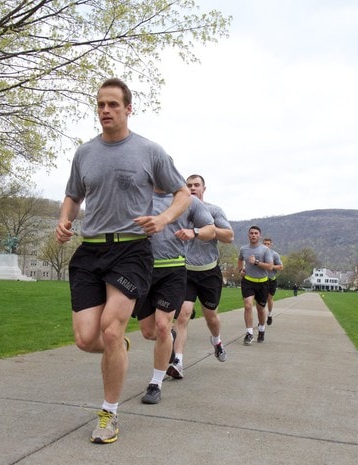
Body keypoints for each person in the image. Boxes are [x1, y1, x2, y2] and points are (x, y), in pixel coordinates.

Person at [55, 78, 190, 444]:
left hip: (131, 250)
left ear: (129, 109)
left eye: (113, 105)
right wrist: (64, 218)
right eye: (100, 105)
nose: (105, 111)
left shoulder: (150, 151)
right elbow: (72, 195)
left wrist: (163, 220)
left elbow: (182, 193)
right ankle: (119, 349)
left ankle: (108, 415)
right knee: (87, 339)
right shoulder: (85, 153)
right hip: (90, 251)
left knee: (112, 329)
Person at [135, 190, 214, 403]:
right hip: (142, 270)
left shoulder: (189, 200)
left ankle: (155, 384)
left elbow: (211, 230)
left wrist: (194, 233)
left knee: (162, 326)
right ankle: (169, 340)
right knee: (149, 331)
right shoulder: (140, 194)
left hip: (173, 270)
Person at [167, 174, 234, 379]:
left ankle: (217, 341)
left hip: (208, 272)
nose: (193, 188)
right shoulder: (180, 209)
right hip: (186, 270)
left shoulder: (214, 211)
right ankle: (177, 361)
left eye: (197, 185)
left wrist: (207, 229)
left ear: (204, 188)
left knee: (210, 317)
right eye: (189, 185)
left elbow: (229, 236)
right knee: (183, 314)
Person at [237, 226, 274, 345]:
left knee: (261, 309)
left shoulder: (265, 250)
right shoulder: (243, 249)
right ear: (248, 235)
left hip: (262, 282)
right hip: (248, 281)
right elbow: (240, 259)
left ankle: (262, 330)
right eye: (251, 233)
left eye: (256, 233)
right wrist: (240, 270)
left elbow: (270, 266)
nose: (253, 235)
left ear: (260, 236)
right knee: (248, 305)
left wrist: (256, 262)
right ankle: (249, 333)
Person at [262, 237, 283, 325]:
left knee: (269, 298)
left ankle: (270, 314)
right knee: (261, 299)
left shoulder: (275, 255)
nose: (266, 245)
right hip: (262, 279)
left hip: (271, 279)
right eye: (265, 244)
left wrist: (271, 266)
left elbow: (281, 267)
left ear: (271, 245)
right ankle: (261, 319)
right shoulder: (259, 254)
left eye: (268, 244)